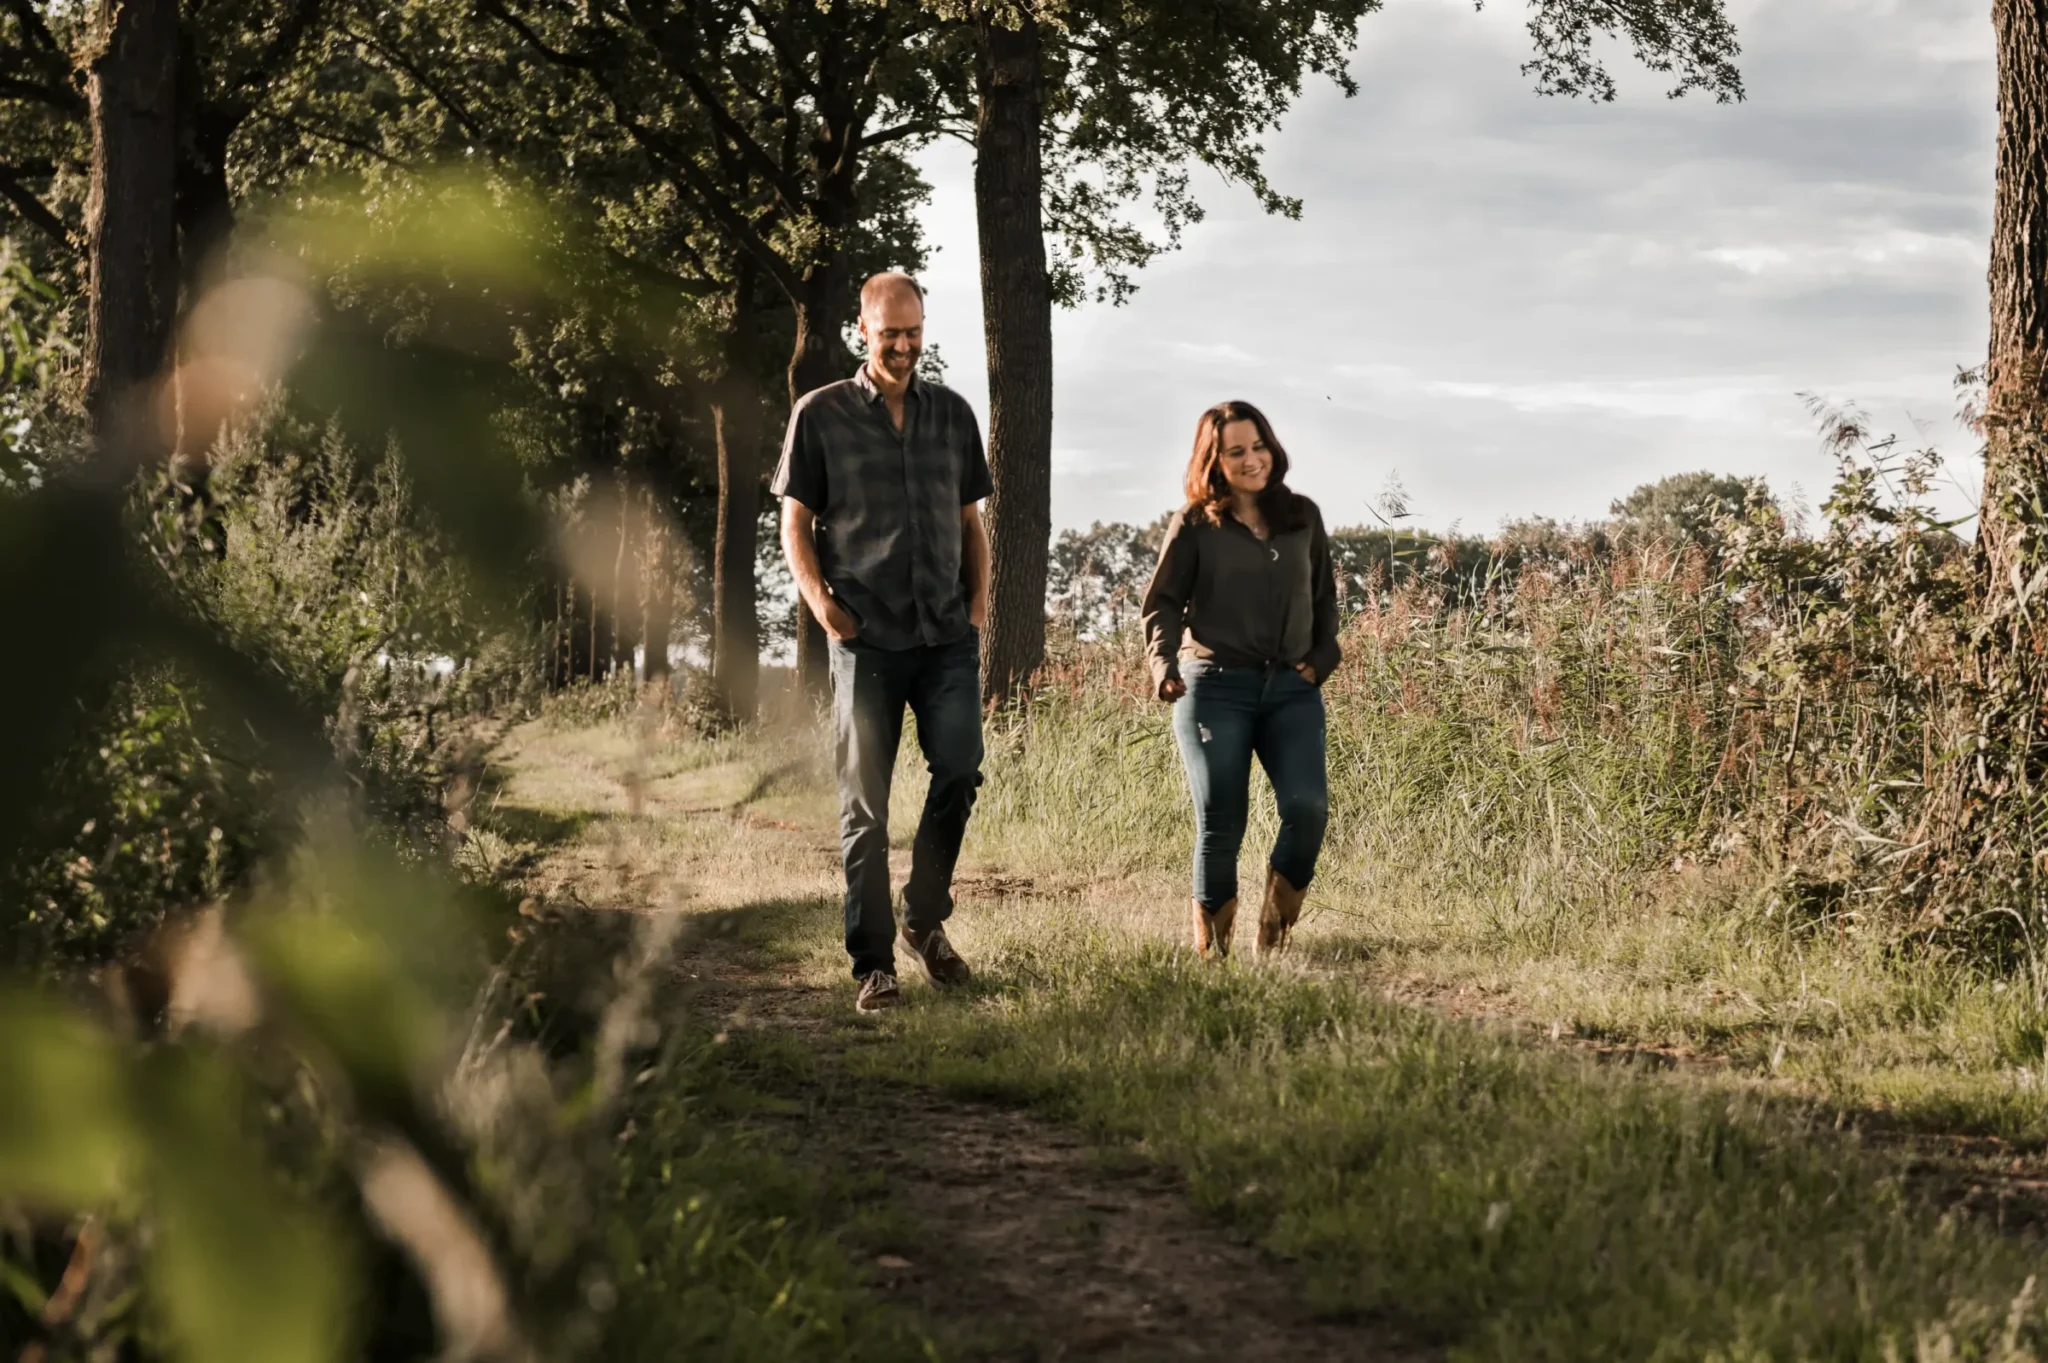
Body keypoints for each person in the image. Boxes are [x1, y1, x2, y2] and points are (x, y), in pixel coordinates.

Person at [771, 272, 993, 1013]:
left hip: (945, 634)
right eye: (890, 332)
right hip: (865, 637)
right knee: (865, 802)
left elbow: (971, 522)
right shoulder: (821, 414)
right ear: (862, 331)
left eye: (914, 331)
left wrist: (979, 606)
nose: (903, 345)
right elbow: (795, 523)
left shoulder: (953, 415)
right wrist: (822, 605)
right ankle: (874, 966)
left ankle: (921, 918)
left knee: (960, 768)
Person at [1139, 400, 1340, 959]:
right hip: (1214, 688)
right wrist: (1164, 666)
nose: (1253, 460)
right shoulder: (1196, 524)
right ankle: (1214, 958)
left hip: (1291, 692)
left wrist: (1321, 660)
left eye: (1259, 446)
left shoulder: (1303, 516)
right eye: (1236, 451)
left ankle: (1271, 939)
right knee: (1223, 820)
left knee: (1308, 809)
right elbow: (1161, 603)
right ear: (1214, 460)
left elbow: (1324, 601)